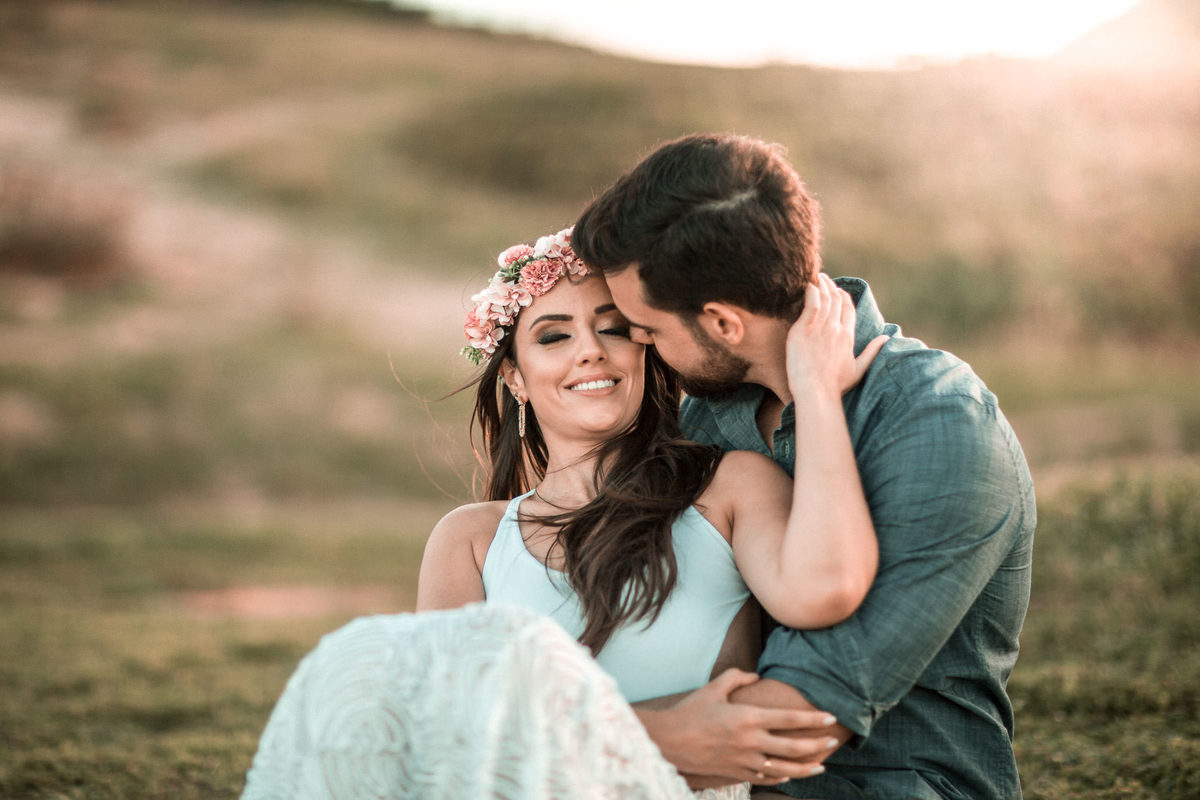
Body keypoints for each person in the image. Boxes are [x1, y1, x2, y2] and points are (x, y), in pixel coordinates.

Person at [240, 227, 884, 800]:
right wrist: (648, 732)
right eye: (554, 336)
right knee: (360, 664)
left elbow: (822, 589)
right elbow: (440, 737)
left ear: (645, 350)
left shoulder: (728, 488)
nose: (591, 351)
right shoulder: (470, 539)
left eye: (612, 329)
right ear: (516, 377)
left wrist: (816, 396)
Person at [571, 133, 1037, 800]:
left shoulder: (939, 423)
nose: (643, 349)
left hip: (887, 785)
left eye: (649, 332)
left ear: (724, 323)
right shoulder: (708, 417)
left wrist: (548, 733)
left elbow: (799, 723)